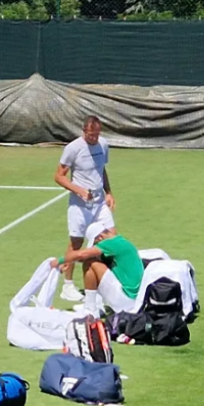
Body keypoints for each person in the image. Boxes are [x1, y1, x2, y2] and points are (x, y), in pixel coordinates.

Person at [54, 116, 116, 303]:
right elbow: (59, 176)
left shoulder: (103, 145)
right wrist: (79, 190)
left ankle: (106, 283)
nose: (94, 138)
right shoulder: (73, 148)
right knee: (76, 243)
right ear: (84, 131)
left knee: (111, 237)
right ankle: (67, 285)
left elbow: (101, 170)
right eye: (90, 135)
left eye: (96, 135)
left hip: (99, 202)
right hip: (79, 205)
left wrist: (108, 192)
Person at [62, 222, 143, 317]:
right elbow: (83, 258)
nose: (96, 246)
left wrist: (59, 261)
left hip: (125, 301)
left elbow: (82, 255)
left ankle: (91, 309)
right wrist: (71, 260)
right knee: (94, 261)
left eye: (96, 244)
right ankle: (97, 304)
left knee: (90, 263)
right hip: (134, 301)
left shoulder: (110, 243)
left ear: (100, 237)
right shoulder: (119, 242)